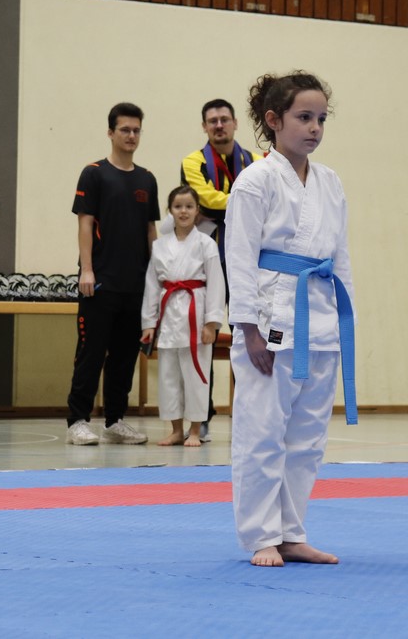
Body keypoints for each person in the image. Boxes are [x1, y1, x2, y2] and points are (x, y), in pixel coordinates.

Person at [225, 71, 357, 568]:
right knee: (263, 433)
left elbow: (341, 258)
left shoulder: (330, 182)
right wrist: (248, 329)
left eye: (321, 118)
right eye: (304, 117)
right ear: (274, 120)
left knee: (307, 440)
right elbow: (239, 257)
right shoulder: (255, 181)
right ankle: (261, 535)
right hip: (271, 317)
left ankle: (291, 532)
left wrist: (344, 323)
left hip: (321, 317)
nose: (315, 128)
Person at [65, 102, 160, 446]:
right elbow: (85, 224)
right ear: (111, 132)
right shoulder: (94, 174)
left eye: (136, 130)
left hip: (136, 285)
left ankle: (115, 420)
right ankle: (77, 421)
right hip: (100, 282)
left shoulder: (147, 179)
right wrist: (87, 270)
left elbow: (150, 231)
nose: (131, 135)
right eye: (125, 130)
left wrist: (158, 277)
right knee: (91, 353)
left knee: (124, 357)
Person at [180, 98, 262, 441]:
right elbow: (202, 199)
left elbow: (257, 201)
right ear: (204, 127)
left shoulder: (257, 161)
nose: (218, 125)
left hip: (249, 259)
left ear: (235, 123)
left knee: (249, 332)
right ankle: (202, 416)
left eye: (224, 119)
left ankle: (251, 412)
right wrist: (245, 201)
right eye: (212, 121)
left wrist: (224, 202)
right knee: (206, 336)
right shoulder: (193, 161)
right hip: (209, 259)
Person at [140, 186, 226, 447]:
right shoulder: (159, 246)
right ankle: (176, 430)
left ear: (197, 210)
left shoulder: (206, 244)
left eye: (189, 206)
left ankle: (196, 431)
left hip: (195, 312)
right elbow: (152, 286)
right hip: (168, 314)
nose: (184, 211)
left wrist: (211, 323)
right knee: (169, 377)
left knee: (196, 374)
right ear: (170, 211)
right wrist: (149, 323)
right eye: (178, 207)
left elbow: (216, 284)